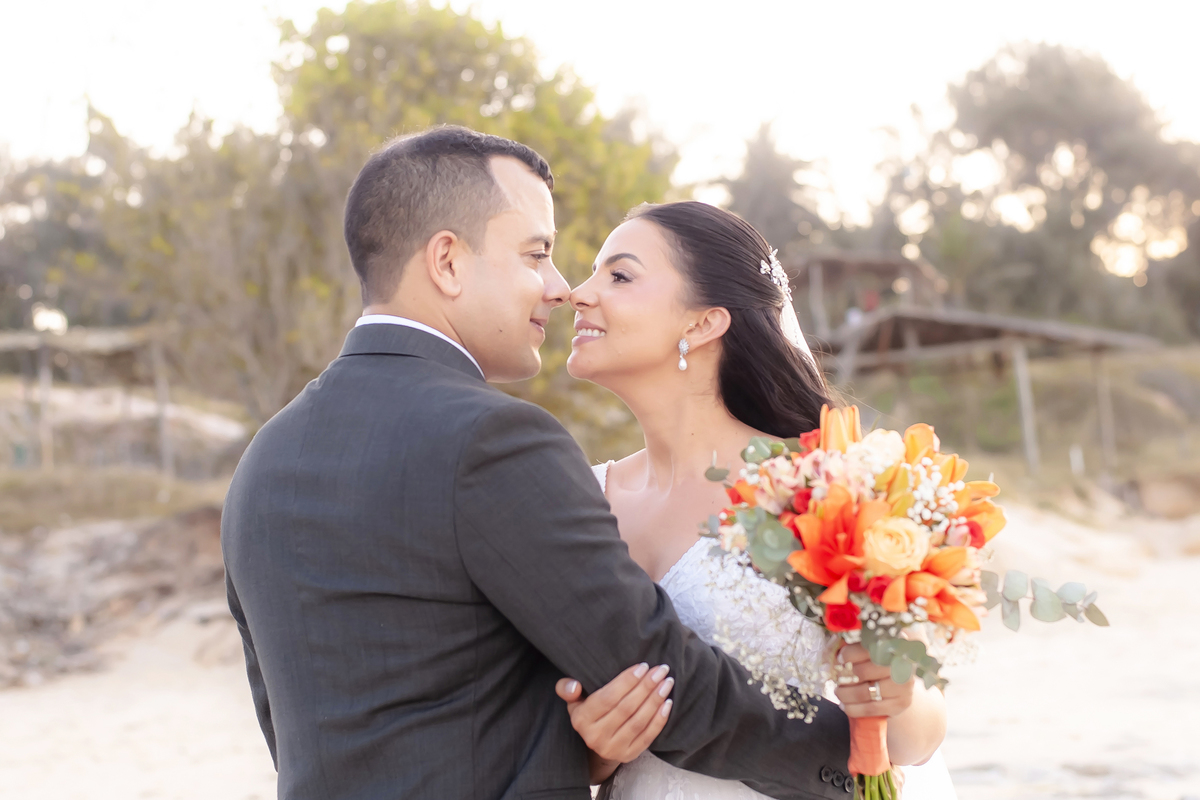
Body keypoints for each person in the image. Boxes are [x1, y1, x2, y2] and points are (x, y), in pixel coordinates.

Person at [221, 127, 853, 800]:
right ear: (448, 262)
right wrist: (858, 762)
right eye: (536, 255)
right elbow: (652, 673)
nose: (560, 288)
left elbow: (289, 725)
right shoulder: (490, 439)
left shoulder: (264, 461)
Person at [555, 201, 957, 799]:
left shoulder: (825, 482)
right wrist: (591, 752)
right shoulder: (577, 496)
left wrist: (894, 694)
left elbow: (920, 737)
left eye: (619, 275)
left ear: (702, 323)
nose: (576, 294)